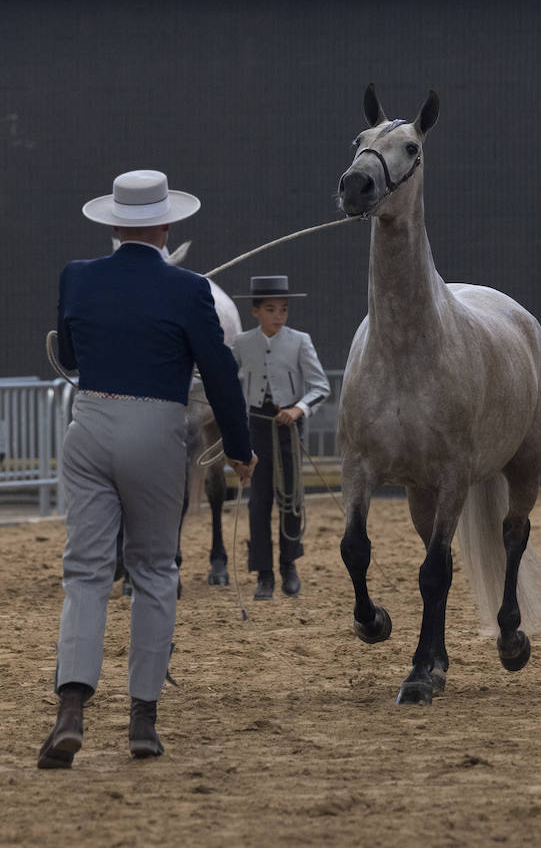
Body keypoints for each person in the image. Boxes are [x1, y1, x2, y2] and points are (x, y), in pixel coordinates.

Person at [39, 170, 256, 769]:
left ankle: (71, 709)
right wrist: (238, 446)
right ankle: (142, 719)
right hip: (156, 431)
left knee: (84, 573)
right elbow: (218, 373)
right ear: (166, 225)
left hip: (88, 425)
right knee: (155, 571)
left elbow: (75, 354)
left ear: (112, 223)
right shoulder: (191, 291)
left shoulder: (76, 277)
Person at [231, 275, 331, 600]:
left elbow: (320, 387)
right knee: (258, 502)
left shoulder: (300, 341)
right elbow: (226, 381)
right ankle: (264, 575)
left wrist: (298, 409)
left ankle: (289, 565)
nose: (279, 315)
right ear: (255, 311)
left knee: (291, 499)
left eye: (284, 309)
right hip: (256, 429)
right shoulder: (242, 343)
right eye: (271, 309)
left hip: (288, 430)